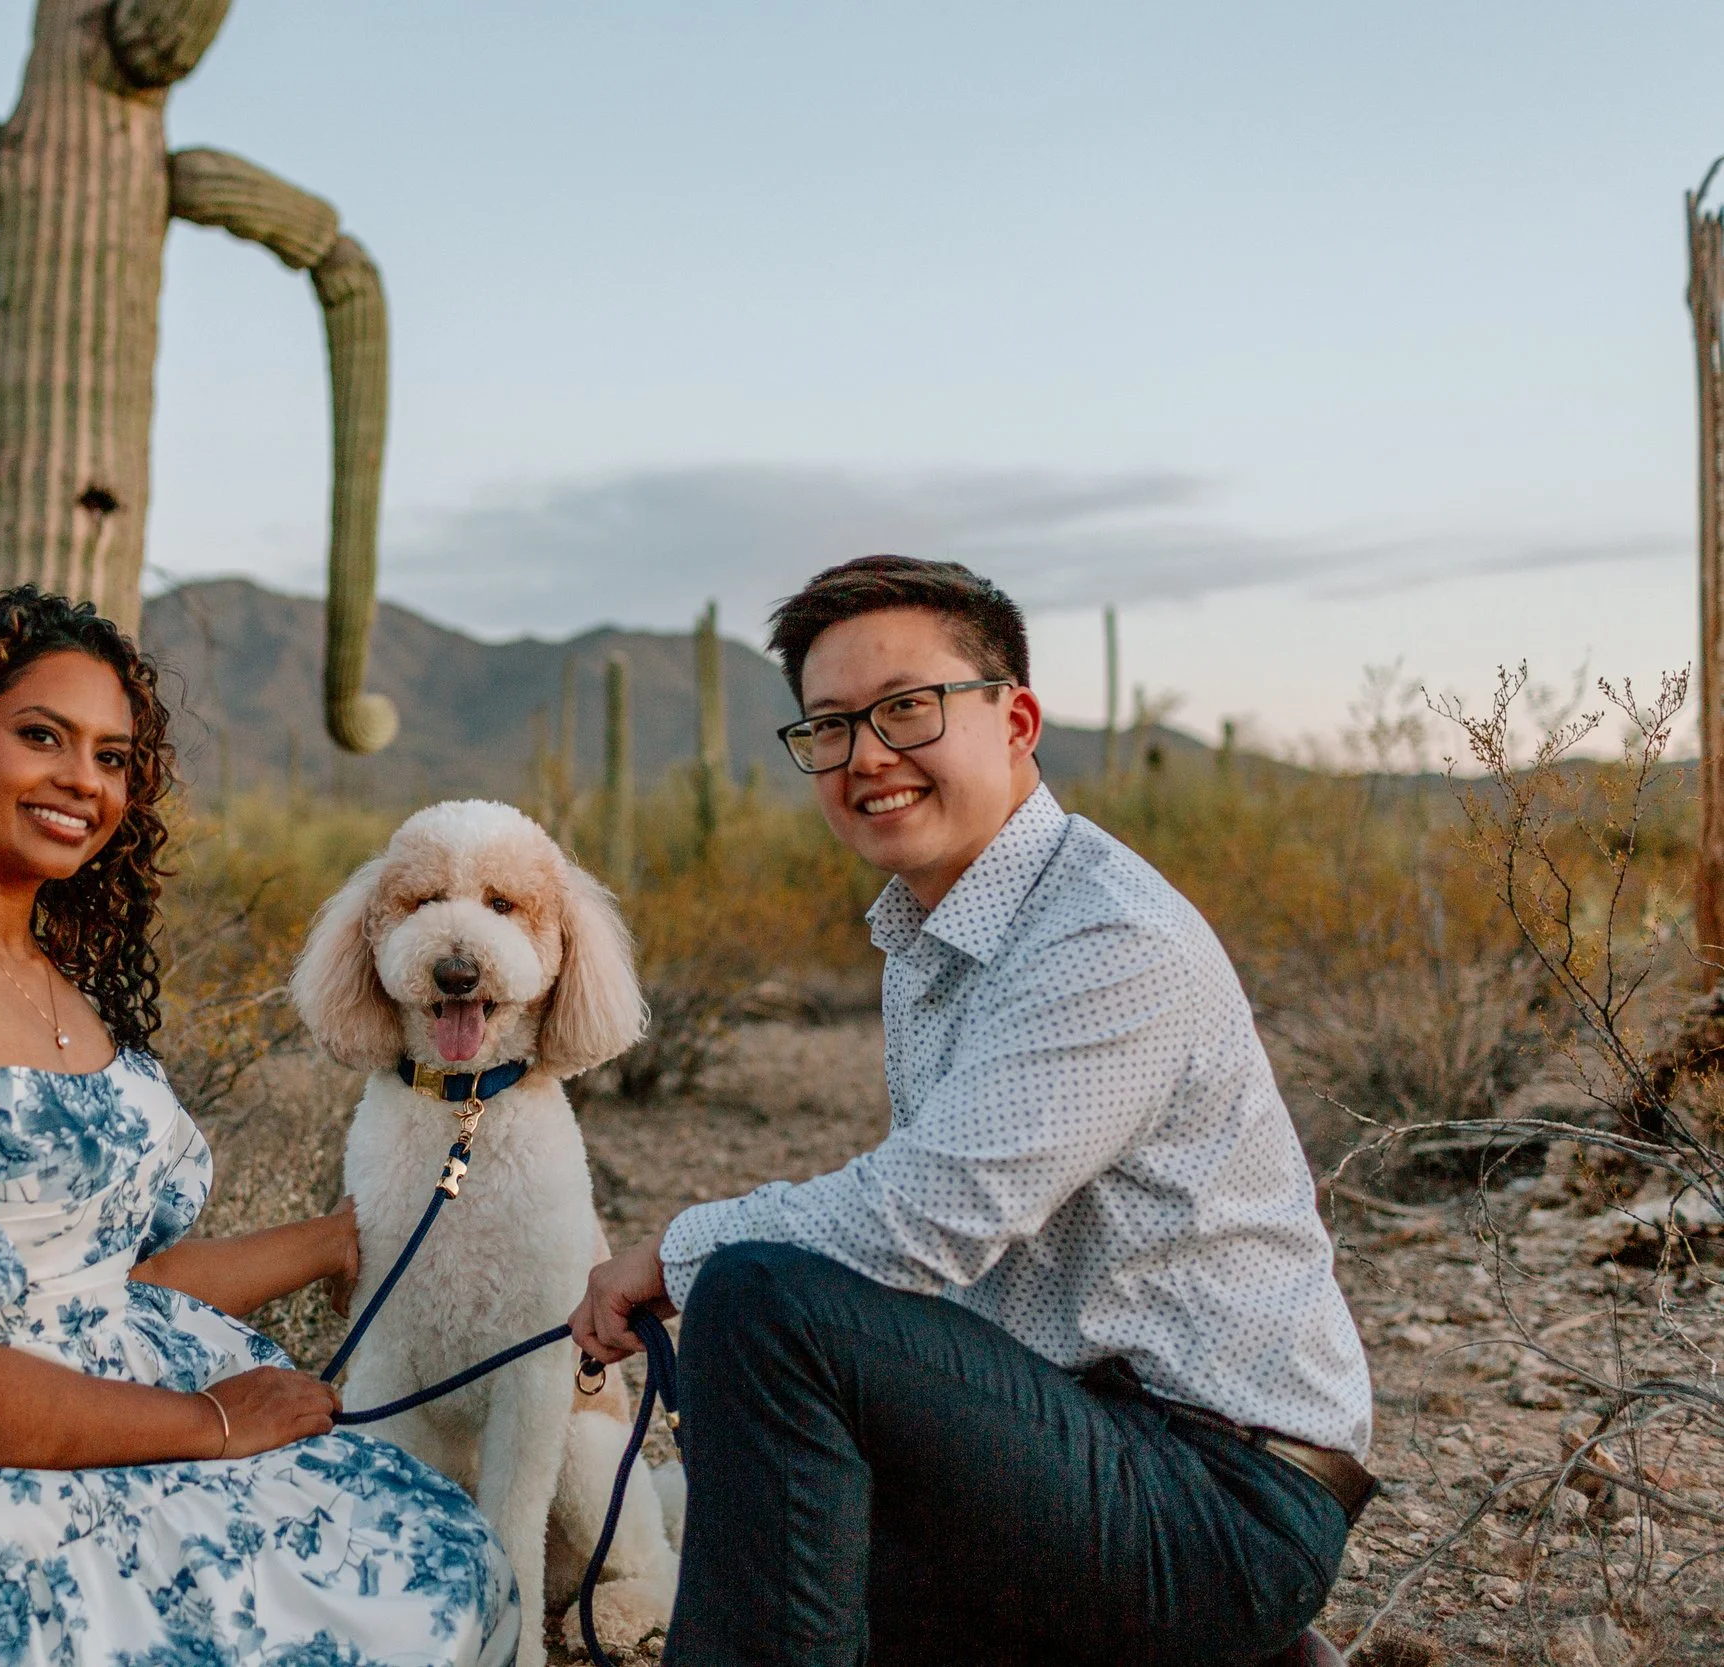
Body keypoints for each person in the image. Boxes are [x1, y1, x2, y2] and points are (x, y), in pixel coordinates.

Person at [568, 557, 1373, 1667]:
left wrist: (673, 1249)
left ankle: (1210, 1631)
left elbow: (925, 1221)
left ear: (1016, 718)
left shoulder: (1103, 935)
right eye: (830, 726)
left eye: (907, 708)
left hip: (1220, 1495)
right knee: (788, 1459)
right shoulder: (933, 930)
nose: (867, 756)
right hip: (1090, 1447)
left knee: (760, 1295)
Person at [0, 589, 512, 1667]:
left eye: (114, 755)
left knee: (446, 1574)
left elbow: (108, 1283)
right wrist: (213, 1423)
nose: (85, 779)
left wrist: (336, 1237)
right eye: (42, 736)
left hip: (119, 1394)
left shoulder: (59, 980)